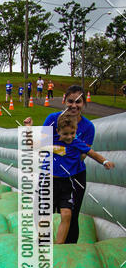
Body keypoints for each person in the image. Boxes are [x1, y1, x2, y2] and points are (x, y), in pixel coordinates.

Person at [25, 84, 95, 243]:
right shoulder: (52, 119)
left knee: (71, 214)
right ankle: (44, 242)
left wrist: (65, 152)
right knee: (40, 210)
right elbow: (42, 145)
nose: (74, 105)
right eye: (71, 101)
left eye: (78, 102)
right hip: (49, 172)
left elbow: (83, 155)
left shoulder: (88, 127)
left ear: (83, 103)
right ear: (64, 100)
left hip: (74, 175)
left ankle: (67, 250)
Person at [52, 114, 114, 243]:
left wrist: (104, 161)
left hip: (67, 184)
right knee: (44, 214)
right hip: (51, 183)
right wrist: (28, 127)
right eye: (65, 134)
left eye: (72, 133)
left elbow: (92, 153)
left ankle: (59, 246)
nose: (69, 137)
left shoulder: (76, 142)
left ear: (76, 131)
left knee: (67, 214)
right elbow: (33, 142)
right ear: (58, 132)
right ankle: (41, 242)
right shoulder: (51, 141)